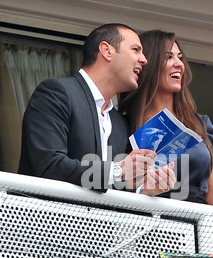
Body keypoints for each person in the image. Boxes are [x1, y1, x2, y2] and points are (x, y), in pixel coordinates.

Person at [118, 29, 213, 216]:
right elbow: (119, 185)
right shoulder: (122, 125)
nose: (179, 64)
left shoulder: (200, 124)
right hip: (148, 225)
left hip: (196, 228)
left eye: (180, 57)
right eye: (169, 57)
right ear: (148, 64)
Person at [18, 24, 176, 196]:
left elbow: (113, 188)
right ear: (106, 50)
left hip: (96, 222)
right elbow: (49, 165)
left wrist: (145, 191)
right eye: (136, 50)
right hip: (46, 220)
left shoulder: (119, 123)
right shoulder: (56, 93)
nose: (144, 59)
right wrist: (118, 170)